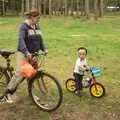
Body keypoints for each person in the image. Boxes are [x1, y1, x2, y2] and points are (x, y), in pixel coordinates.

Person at [0, 9, 48, 103]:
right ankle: (6, 94)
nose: (39, 19)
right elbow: (21, 40)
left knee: (31, 75)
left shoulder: (37, 26)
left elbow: (40, 39)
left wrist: (44, 48)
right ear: (31, 17)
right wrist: (26, 52)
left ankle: (32, 95)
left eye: (39, 18)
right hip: (24, 53)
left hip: (33, 54)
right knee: (19, 74)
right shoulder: (24, 26)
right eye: (37, 17)